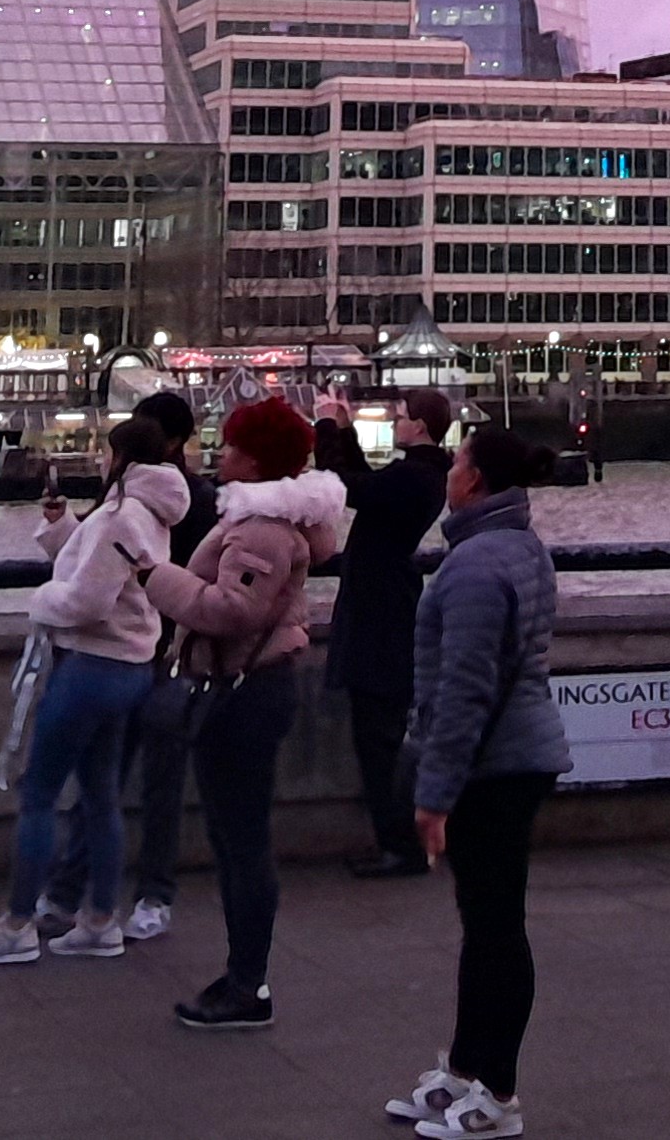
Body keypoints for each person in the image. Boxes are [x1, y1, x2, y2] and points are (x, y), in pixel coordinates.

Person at [389, 426, 570, 1140]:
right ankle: (468, 1070)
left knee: (494, 930)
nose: (449, 474)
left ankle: (497, 1092)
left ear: (476, 482)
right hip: (517, 755)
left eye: (458, 462)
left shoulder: (471, 568)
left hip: (492, 767)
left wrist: (434, 796)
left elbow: (462, 691)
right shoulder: (520, 547)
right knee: (489, 926)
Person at [147, 393, 349, 1030]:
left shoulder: (259, 529)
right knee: (237, 836)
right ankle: (243, 974)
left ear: (257, 459)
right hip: (249, 688)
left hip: (244, 691)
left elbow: (235, 611)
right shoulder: (257, 519)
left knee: (241, 841)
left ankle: (248, 983)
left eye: (231, 444)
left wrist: (153, 575)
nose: (220, 450)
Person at [0, 416, 191, 966]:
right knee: (100, 796)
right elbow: (105, 573)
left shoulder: (123, 514)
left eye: (108, 452)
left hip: (92, 667)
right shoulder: (148, 512)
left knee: (39, 795)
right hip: (129, 667)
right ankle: (99, 921)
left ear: (124, 459)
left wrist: (39, 602)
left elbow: (88, 601)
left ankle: (17, 925)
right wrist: (63, 528)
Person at [314, 384, 455, 878]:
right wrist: (344, 429)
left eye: (401, 415)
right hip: (384, 614)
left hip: (381, 622)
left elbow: (349, 486)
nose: (395, 421)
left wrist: (329, 426)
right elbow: (363, 485)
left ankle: (401, 846)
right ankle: (395, 842)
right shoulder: (422, 474)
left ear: (419, 425)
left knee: (379, 741)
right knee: (378, 738)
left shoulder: (414, 476)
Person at [119, 388, 219, 944]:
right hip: (160, 650)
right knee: (153, 778)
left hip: (160, 650)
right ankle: (148, 893)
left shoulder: (154, 500)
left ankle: (145, 890)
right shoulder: (201, 498)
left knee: (143, 775)